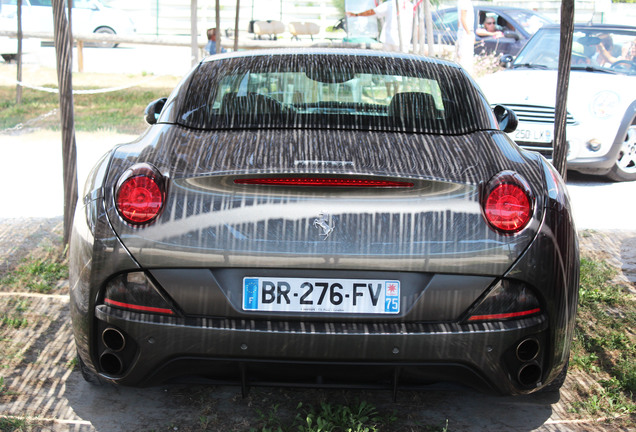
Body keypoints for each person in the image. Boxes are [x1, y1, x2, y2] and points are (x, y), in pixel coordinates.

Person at [346, 0, 414, 52]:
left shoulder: (390, 4)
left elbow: (373, 11)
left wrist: (356, 15)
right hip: (404, 41)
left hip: (390, 40)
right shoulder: (411, 6)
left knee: (388, 63)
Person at [456, 0, 475, 75]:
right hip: (465, 32)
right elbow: (462, 19)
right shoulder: (465, 2)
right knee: (466, 59)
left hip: (463, 31)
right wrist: (469, 33)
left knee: (465, 57)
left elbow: (459, 21)